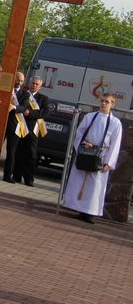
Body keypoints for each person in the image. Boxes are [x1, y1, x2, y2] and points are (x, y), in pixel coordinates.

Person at [62, 94, 123, 224]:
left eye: (107, 102)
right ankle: (78, 208)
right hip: (85, 153)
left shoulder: (115, 122)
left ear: (112, 104)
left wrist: (108, 162)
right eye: (102, 101)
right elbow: (79, 133)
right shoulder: (90, 117)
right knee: (79, 180)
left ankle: (90, 212)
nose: (103, 104)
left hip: (101, 156)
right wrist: (83, 145)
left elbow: (115, 143)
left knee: (95, 185)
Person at [14, 76, 49, 187]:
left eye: (36, 84)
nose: (34, 85)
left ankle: (29, 179)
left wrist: (31, 113)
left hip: (33, 129)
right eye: (33, 83)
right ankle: (16, 176)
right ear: (29, 84)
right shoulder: (22, 94)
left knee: (31, 155)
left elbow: (45, 112)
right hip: (20, 126)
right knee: (18, 152)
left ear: (40, 87)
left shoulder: (43, 98)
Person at [3, 72, 28, 183]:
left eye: (21, 81)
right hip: (2, 123)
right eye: (18, 80)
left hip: (15, 125)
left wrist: (14, 107)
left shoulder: (25, 94)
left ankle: (8, 175)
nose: (19, 82)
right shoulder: (6, 87)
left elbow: (23, 107)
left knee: (11, 151)